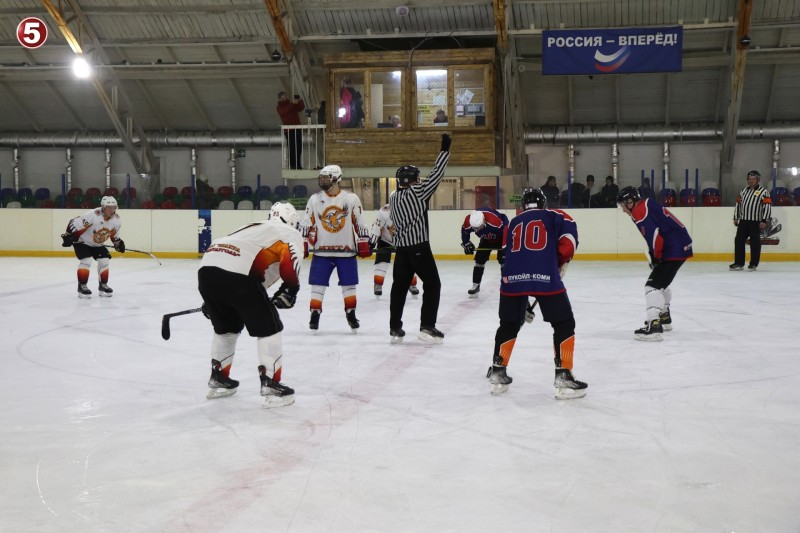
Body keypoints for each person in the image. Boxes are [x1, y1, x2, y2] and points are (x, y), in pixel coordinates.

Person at [197, 203, 303, 408]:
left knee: (226, 328)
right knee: (270, 327)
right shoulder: (288, 231)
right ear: (291, 220)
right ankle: (271, 383)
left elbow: (235, 262)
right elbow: (291, 257)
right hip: (238, 275)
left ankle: (219, 377)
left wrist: (213, 299)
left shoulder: (252, 228)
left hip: (207, 271)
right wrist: (291, 289)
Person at [486, 189, 587, 400]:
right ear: (544, 203)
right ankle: (563, 374)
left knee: (509, 324)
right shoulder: (556, 215)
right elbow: (569, 241)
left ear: (523, 206)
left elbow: (504, 255)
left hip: (511, 279)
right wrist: (559, 263)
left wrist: (521, 301)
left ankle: (498, 370)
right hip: (545, 277)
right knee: (564, 323)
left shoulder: (512, 223)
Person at [388, 133, 451, 344]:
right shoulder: (418, 191)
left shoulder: (393, 197)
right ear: (414, 179)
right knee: (433, 285)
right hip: (419, 249)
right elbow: (437, 174)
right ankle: (427, 326)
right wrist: (444, 150)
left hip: (402, 251)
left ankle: (395, 326)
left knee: (399, 288)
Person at [299, 164, 372, 332]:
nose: (323, 181)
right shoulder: (315, 199)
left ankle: (351, 313)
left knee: (349, 284)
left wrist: (363, 241)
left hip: (346, 252)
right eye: (322, 177)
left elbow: (359, 222)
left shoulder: (351, 198)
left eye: (327, 177)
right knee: (317, 285)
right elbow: (306, 224)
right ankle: (315, 314)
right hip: (321, 251)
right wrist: (302, 241)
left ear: (337, 178)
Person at [617, 186, 693, 341]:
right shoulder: (646, 204)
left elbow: (655, 236)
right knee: (662, 283)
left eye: (623, 205)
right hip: (680, 245)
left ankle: (654, 326)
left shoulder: (639, 211)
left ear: (630, 201)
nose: (623, 210)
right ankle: (664, 317)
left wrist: (655, 257)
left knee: (652, 286)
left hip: (674, 248)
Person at [61, 196, 125, 298]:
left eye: (114, 207)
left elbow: (114, 234)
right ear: (103, 207)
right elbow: (73, 222)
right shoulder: (92, 215)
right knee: (86, 261)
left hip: (97, 244)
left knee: (104, 261)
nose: (112, 210)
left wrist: (118, 243)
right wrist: (68, 235)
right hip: (82, 241)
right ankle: (82, 286)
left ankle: (103, 285)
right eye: (110, 207)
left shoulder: (116, 219)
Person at [370, 203, 419, 297]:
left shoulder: (411, 210)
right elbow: (376, 228)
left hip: (403, 241)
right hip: (385, 240)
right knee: (382, 262)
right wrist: (371, 244)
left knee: (409, 262)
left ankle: (412, 284)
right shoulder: (384, 212)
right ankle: (378, 284)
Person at [461, 207, 509, 297]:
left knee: (503, 261)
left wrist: (505, 247)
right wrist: (466, 243)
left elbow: (506, 231)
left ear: (484, 220)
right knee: (479, 259)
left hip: (501, 237)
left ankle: (507, 285)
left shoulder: (495, 223)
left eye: (479, 227)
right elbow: (464, 231)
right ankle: (475, 284)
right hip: (486, 239)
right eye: (475, 228)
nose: (477, 230)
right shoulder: (469, 221)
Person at [730, 170, 772, 271]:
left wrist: (764, 220)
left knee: (755, 243)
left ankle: (753, 264)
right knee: (739, 241)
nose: (751, 181)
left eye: (753, 179)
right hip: (743, 221)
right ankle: (739, 263)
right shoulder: (743, 191)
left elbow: (767, 206)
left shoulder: (764, 192)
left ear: (758, 180)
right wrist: (736, 217)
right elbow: (738, 204)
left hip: (755, 222)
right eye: (749, 179)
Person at [276, 91, 305, 169]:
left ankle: (298, 164)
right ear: (280, 99)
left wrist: (299, 100)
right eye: (283, 97)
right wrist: (292, 102)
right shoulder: (280, 107)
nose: (285, 99)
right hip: (289, 131)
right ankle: (293, 165)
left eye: (285, 97)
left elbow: (300, 108)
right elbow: (285, 110)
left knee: (299, 147)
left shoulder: (290, 105)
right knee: (292, 148)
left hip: (297, 129)